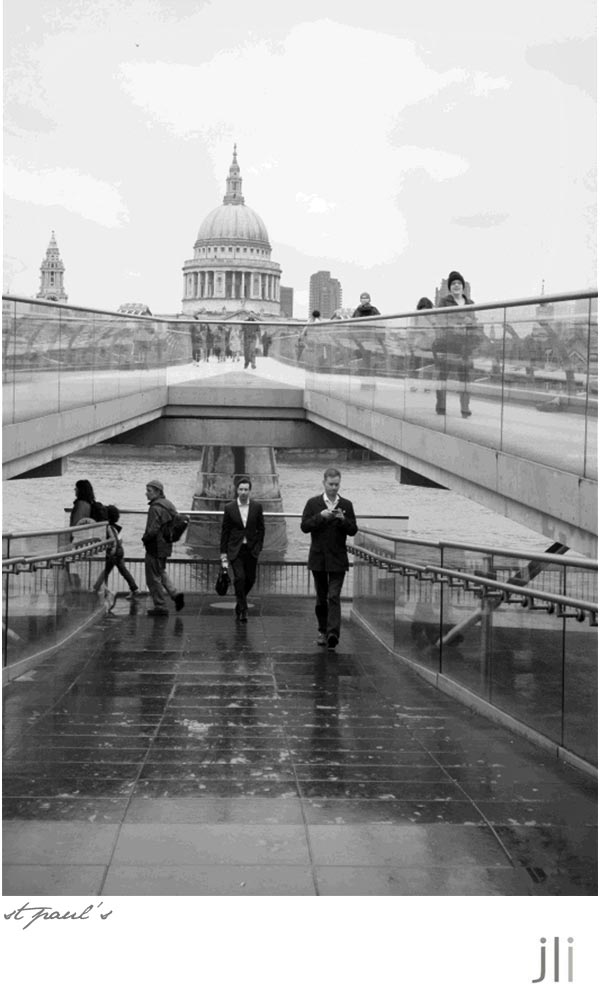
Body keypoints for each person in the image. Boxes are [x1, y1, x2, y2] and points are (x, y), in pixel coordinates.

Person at [301, 467, 358, 649]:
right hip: (318, 557)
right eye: (331, 484)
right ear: (324, 483)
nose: (334, 488)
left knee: (334, 595)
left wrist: (343, 519)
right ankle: (322, 629)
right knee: (321, 597)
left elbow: (353, 530)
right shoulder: (313, 503)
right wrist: (320, 516)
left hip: (338, 558)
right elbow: (304, 526)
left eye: (336, 484)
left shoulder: (346, 505)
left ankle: (333, 633)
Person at [220, 476, 265, 623]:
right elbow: (225, 531)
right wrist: (223, 553)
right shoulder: (229, 508)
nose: (243, 492)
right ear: (237, 490)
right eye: (241, 489)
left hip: (251, 549)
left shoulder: (257, 507)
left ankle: (240, 602)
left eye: (246, 489)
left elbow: (261, 529)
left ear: (250, 491)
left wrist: (258, 547)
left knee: (251, 579)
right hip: (235, 549)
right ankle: (243, 609)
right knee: (239, 578)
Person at [434, 270, 477, 417]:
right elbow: (440, 320)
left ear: (463, 286)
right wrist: (458, 324)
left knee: (465, 378)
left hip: (465, 345)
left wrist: (470, 323)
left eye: (459, 283)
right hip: (448, 344)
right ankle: (441, 407)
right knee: (443, 376)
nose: (456, 285)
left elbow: (474, 324)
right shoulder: (444, 302)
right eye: (453, 283)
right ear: (449, 287)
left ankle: (465, 408)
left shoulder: (470, 304)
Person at [142, 479, 185, 617]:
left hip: (155, 546)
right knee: (160, 571)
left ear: (157, 492)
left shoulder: (155, 508)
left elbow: (152, 529)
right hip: (166, 544)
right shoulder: (168, 504)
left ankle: (160, 606)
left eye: (149, 491)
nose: (146, 493)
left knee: (152, 578)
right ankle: (175, 594)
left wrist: (144, 539)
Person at [94, 505, 139, 600]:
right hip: (120, 551)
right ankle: (134, 588)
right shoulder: (115, 528)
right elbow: (120, 540)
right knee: (123, 570)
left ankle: (98, 589)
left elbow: (111, 541)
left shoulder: (107, 527)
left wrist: (110, 551)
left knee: (105, 572)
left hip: (113, 553)